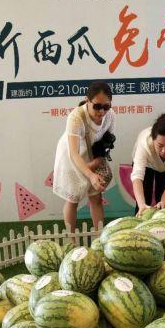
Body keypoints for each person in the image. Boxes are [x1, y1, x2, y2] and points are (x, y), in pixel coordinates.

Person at [53, 81, 115, 232]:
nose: (102, 111)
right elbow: (74, 154)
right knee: (73, 199)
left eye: (106, 106)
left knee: (96, 198)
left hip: (92, 154)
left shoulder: (110, 115)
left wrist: (97, 162)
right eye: (97, 106)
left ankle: (99, 237)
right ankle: (72, 239)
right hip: (71, 157)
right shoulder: (75, 118)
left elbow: (107, 142)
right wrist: (90, 174)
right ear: (87, 100)